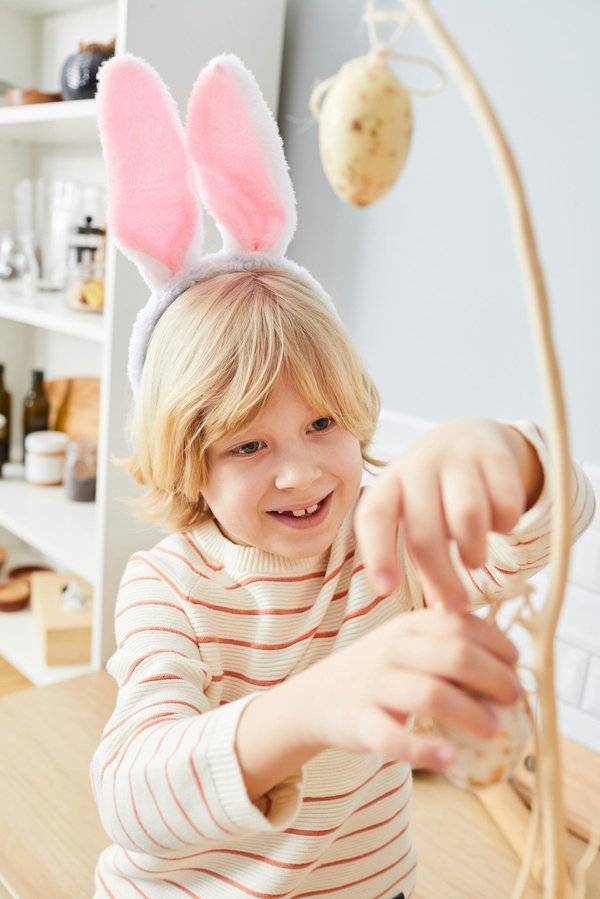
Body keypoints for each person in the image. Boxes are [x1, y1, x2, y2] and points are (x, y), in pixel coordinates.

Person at [90, 54, 595, 899]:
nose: (300, 470)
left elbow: (552, 524)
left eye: (323, 424)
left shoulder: (384, 535)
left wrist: (512, 455)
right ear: (189, 463)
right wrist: (317, 703)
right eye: (248, 448)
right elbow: (131, 798)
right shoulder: (166, 589)